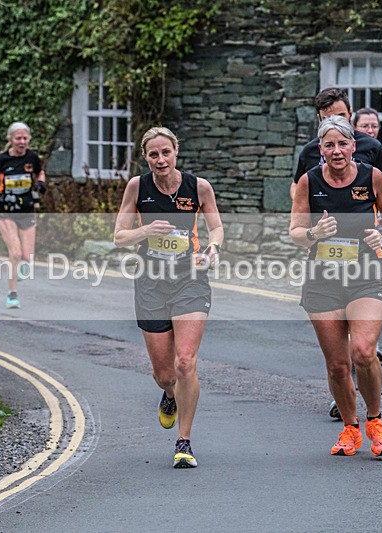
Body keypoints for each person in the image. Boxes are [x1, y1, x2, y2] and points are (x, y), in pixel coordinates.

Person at [289, 115, 382, 457]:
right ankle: (350, 427)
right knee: (337, 365)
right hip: (323, 281)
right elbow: (295, 231)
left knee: (363, 351)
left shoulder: (372, 176)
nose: (336, 151)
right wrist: (312, 235)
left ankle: (375, 421)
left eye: (342, 144)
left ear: (353, 146)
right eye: (329, 145)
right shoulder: (309, 182)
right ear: (320, 150)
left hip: (366, 273)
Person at [113, 126, 223, 468]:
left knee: (185, 361)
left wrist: (213, 248)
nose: (160, 160)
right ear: (145, 157)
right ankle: (169, 394)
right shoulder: (137, 187)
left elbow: (216, 227)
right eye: (153, 154)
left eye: (166, 153)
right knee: (165, 374)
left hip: (190, 278)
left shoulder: (198, 187)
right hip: (151, 283)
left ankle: (184, 441)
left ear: (176, 152)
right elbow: (119, 236)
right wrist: (145, 230)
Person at [290, 88, 382, 201]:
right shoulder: (310, 150)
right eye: (327, 118)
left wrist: (363, 196)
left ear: (350, 113)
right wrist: (303, 204)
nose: (335, 122)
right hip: (322, 218)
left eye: (341, 116)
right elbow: (296, 185)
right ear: (319, 118)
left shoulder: (371, 146)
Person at [0, 122, 46, 309]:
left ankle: (19, 273)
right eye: (18, 138)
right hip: (5, 210)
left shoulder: (32, 158)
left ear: (29, 140)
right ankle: (12, 293)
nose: (22, 142)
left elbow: (41, 174)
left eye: (25, 138)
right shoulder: (1, 159)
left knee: (27, 256)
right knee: (15, 253)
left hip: (26, 209)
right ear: (11, 140)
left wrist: (40, 184)